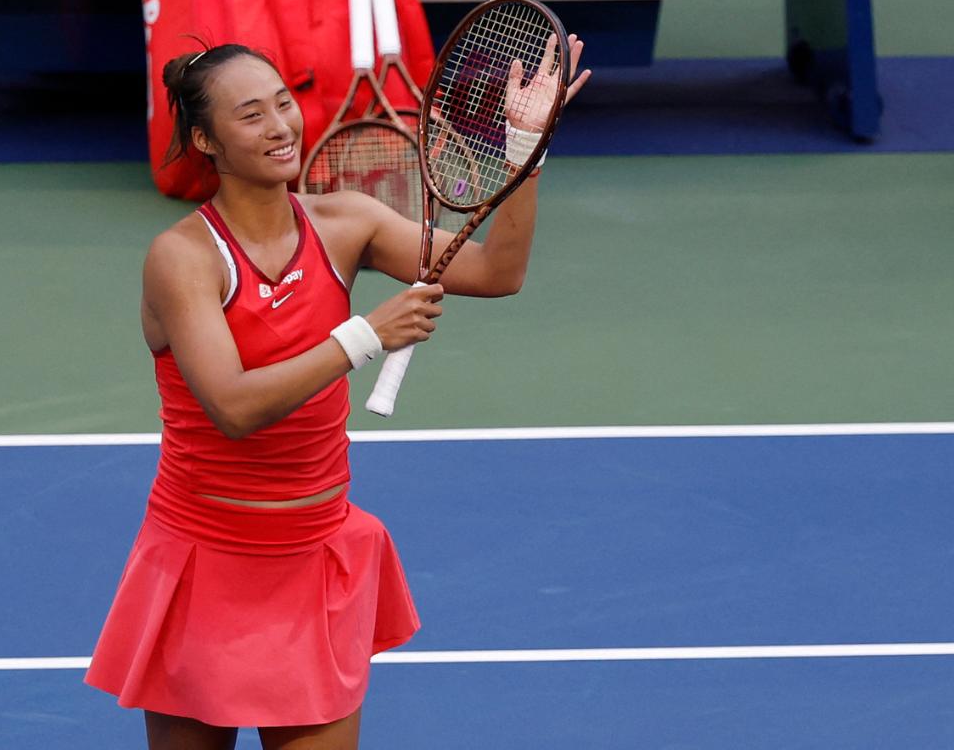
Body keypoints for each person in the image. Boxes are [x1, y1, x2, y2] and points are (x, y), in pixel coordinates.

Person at [85, 38, 590, 750]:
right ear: (206, 140)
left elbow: (499, 270)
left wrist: (524, 148)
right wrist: (363, 336)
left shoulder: (347, 224)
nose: (280, 126)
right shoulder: (184, 258)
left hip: (313, 554)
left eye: (284, 104)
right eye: (251, 115)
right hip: (206, 560)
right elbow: (233, 406)